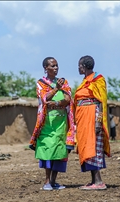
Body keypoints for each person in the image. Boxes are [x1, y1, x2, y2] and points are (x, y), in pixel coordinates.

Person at [29, 57, 75, 191]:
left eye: (57, 66)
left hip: (61, 122)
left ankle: (54, 181)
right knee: (48, 150)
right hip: (47, 122)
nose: (56, 68)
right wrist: (56, 89)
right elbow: (44, 99)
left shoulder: (63, 82)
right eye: (52, 66)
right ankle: (47, 181)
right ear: (46, 68)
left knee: (60, 151)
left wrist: (56, 103)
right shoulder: (41, 83)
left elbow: (68, 99)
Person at [74, 55, 110, 190]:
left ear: (84, 66)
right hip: (83, 118)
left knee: (93, 147)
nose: (78, 67)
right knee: (86, 146)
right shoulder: (84, 82)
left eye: (79, 65)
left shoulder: (98, 80)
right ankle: (93, 180)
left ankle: (99, 182)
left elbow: (102, 102)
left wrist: (99, 122)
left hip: (93, 117)